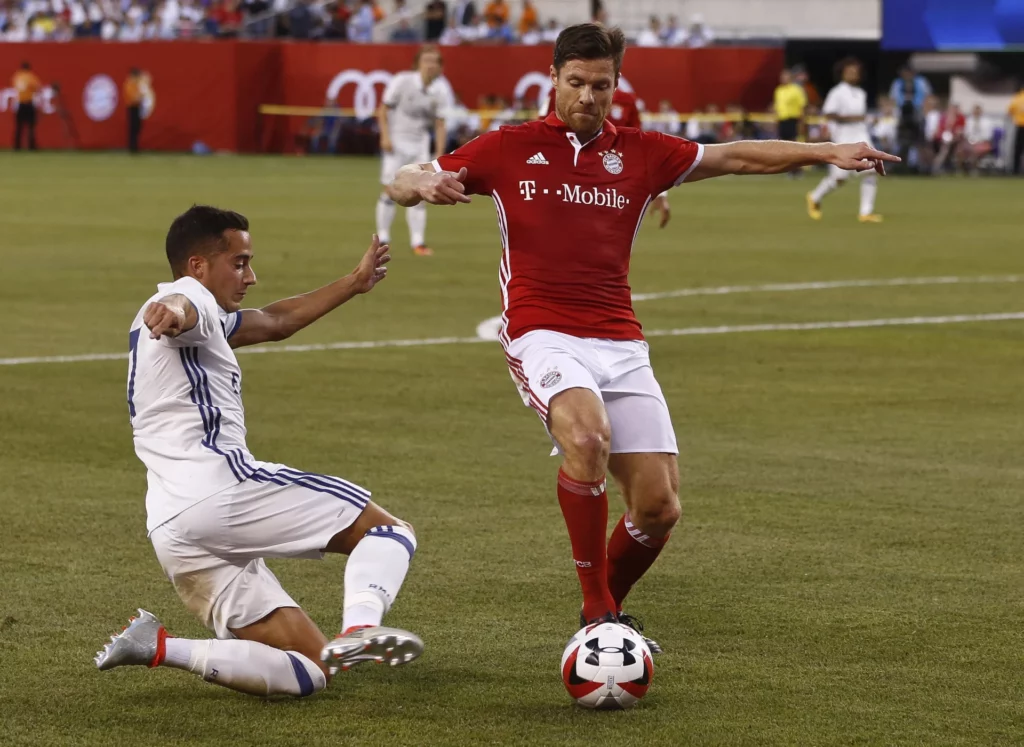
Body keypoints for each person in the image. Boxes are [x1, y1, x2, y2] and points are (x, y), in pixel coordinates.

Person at [385, 23, 896, 646]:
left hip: (621, 343)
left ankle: (601, 618)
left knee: (658, 509)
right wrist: (422, 183)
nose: (588, 97)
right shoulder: (506, 147)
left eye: (601, 85)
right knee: (588, 436)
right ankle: (598, 613)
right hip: (542, 332)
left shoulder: (644, 153)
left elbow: (733, 155)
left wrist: (825, 153)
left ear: (615, 84)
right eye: (576, 83)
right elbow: (402, 178)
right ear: (553, 79)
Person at [94, 206, 422, 698]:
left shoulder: (201, 321)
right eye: (240, 262)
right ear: (198, 265)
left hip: (173, 527)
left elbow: (274, 320)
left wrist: (353, 283)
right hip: (221, 490)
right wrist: (176, 308)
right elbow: (183, 306)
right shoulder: (187, 302)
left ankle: (158, 646)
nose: (251, 275)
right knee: (388, 533)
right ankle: (360, 628)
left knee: (310, 670)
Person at [539, 82, 671, 226]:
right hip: (568, 178)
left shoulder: (626, 100)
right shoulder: (558, 93)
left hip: (611, 184)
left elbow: (639, 147)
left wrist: (660, 193)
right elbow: (542, 133)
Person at [375, 46, 449, 256]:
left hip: (420, 145)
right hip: (397, 142)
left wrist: (440, 154)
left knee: (421, 191)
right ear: (417, 63)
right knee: (390, 191)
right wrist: (385, 136)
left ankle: (418, 242)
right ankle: (383, 237)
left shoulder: (440, 90)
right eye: (426, 60)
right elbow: (383, 109)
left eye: (434, 61)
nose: (430, 65)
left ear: (440, 67)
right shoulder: (402, 81)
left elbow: (440, 124)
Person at [807, 57, 883, 223]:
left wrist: (868, 120)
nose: (853, 75)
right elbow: (829, 114)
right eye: (850, 72)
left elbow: (861, 117)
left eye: (856, 72)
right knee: (839, 178)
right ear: (842, 74)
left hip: (861, 135)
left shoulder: (861, 93)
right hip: (844, 137)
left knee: (870, 170)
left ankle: (866, 212)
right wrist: (857, 118)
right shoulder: (837, 92)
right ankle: (814, 197)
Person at [11, 60, 42, 151]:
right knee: (31, 126)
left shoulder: (17, 76)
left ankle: (17, 146)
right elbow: (37, 88)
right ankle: (31, 146)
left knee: (19, 126)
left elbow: (15, 87)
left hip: (19, 104)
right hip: (28, 103)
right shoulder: (31, 77)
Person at [124, 68, 144, 154]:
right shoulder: (129, 84)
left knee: (137, 127)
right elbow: (133, 98)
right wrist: (139, 97)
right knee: (133, 128)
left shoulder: (136, 85)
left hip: (137, 107)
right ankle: (132, 147)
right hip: (132, 108)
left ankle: (135, 146)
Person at [1008, 84, 1024, 175]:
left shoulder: (1017, 98)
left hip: (1020, 126)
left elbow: (1009, 111)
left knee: (1018, 150)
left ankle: (1015, 170)